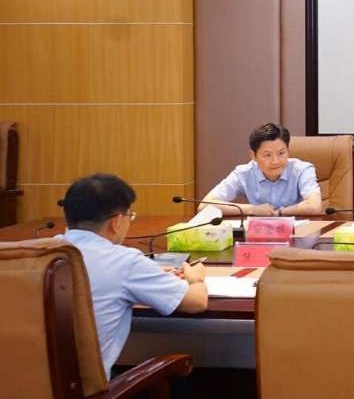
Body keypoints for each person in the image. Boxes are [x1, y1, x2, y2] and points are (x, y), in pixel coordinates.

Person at [61, 173, 208, 372]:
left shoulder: (41, 252)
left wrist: (148, 272)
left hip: (26, 385)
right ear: (116, 221)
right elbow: (196, 302)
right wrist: (196, 278)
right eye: (130, 215)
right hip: (85, 389)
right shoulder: (125, 262)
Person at [200, 123, 322, 217]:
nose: (276, 161)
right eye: (267, 155)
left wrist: (280, 212)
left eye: (281, 153)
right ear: (253, 156)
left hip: (297, 235)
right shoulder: (243, 174)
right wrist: (252, 209)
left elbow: (314, 206)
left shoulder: (302, 170)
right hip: (258, 235)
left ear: (288, 151)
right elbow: (205, 205)